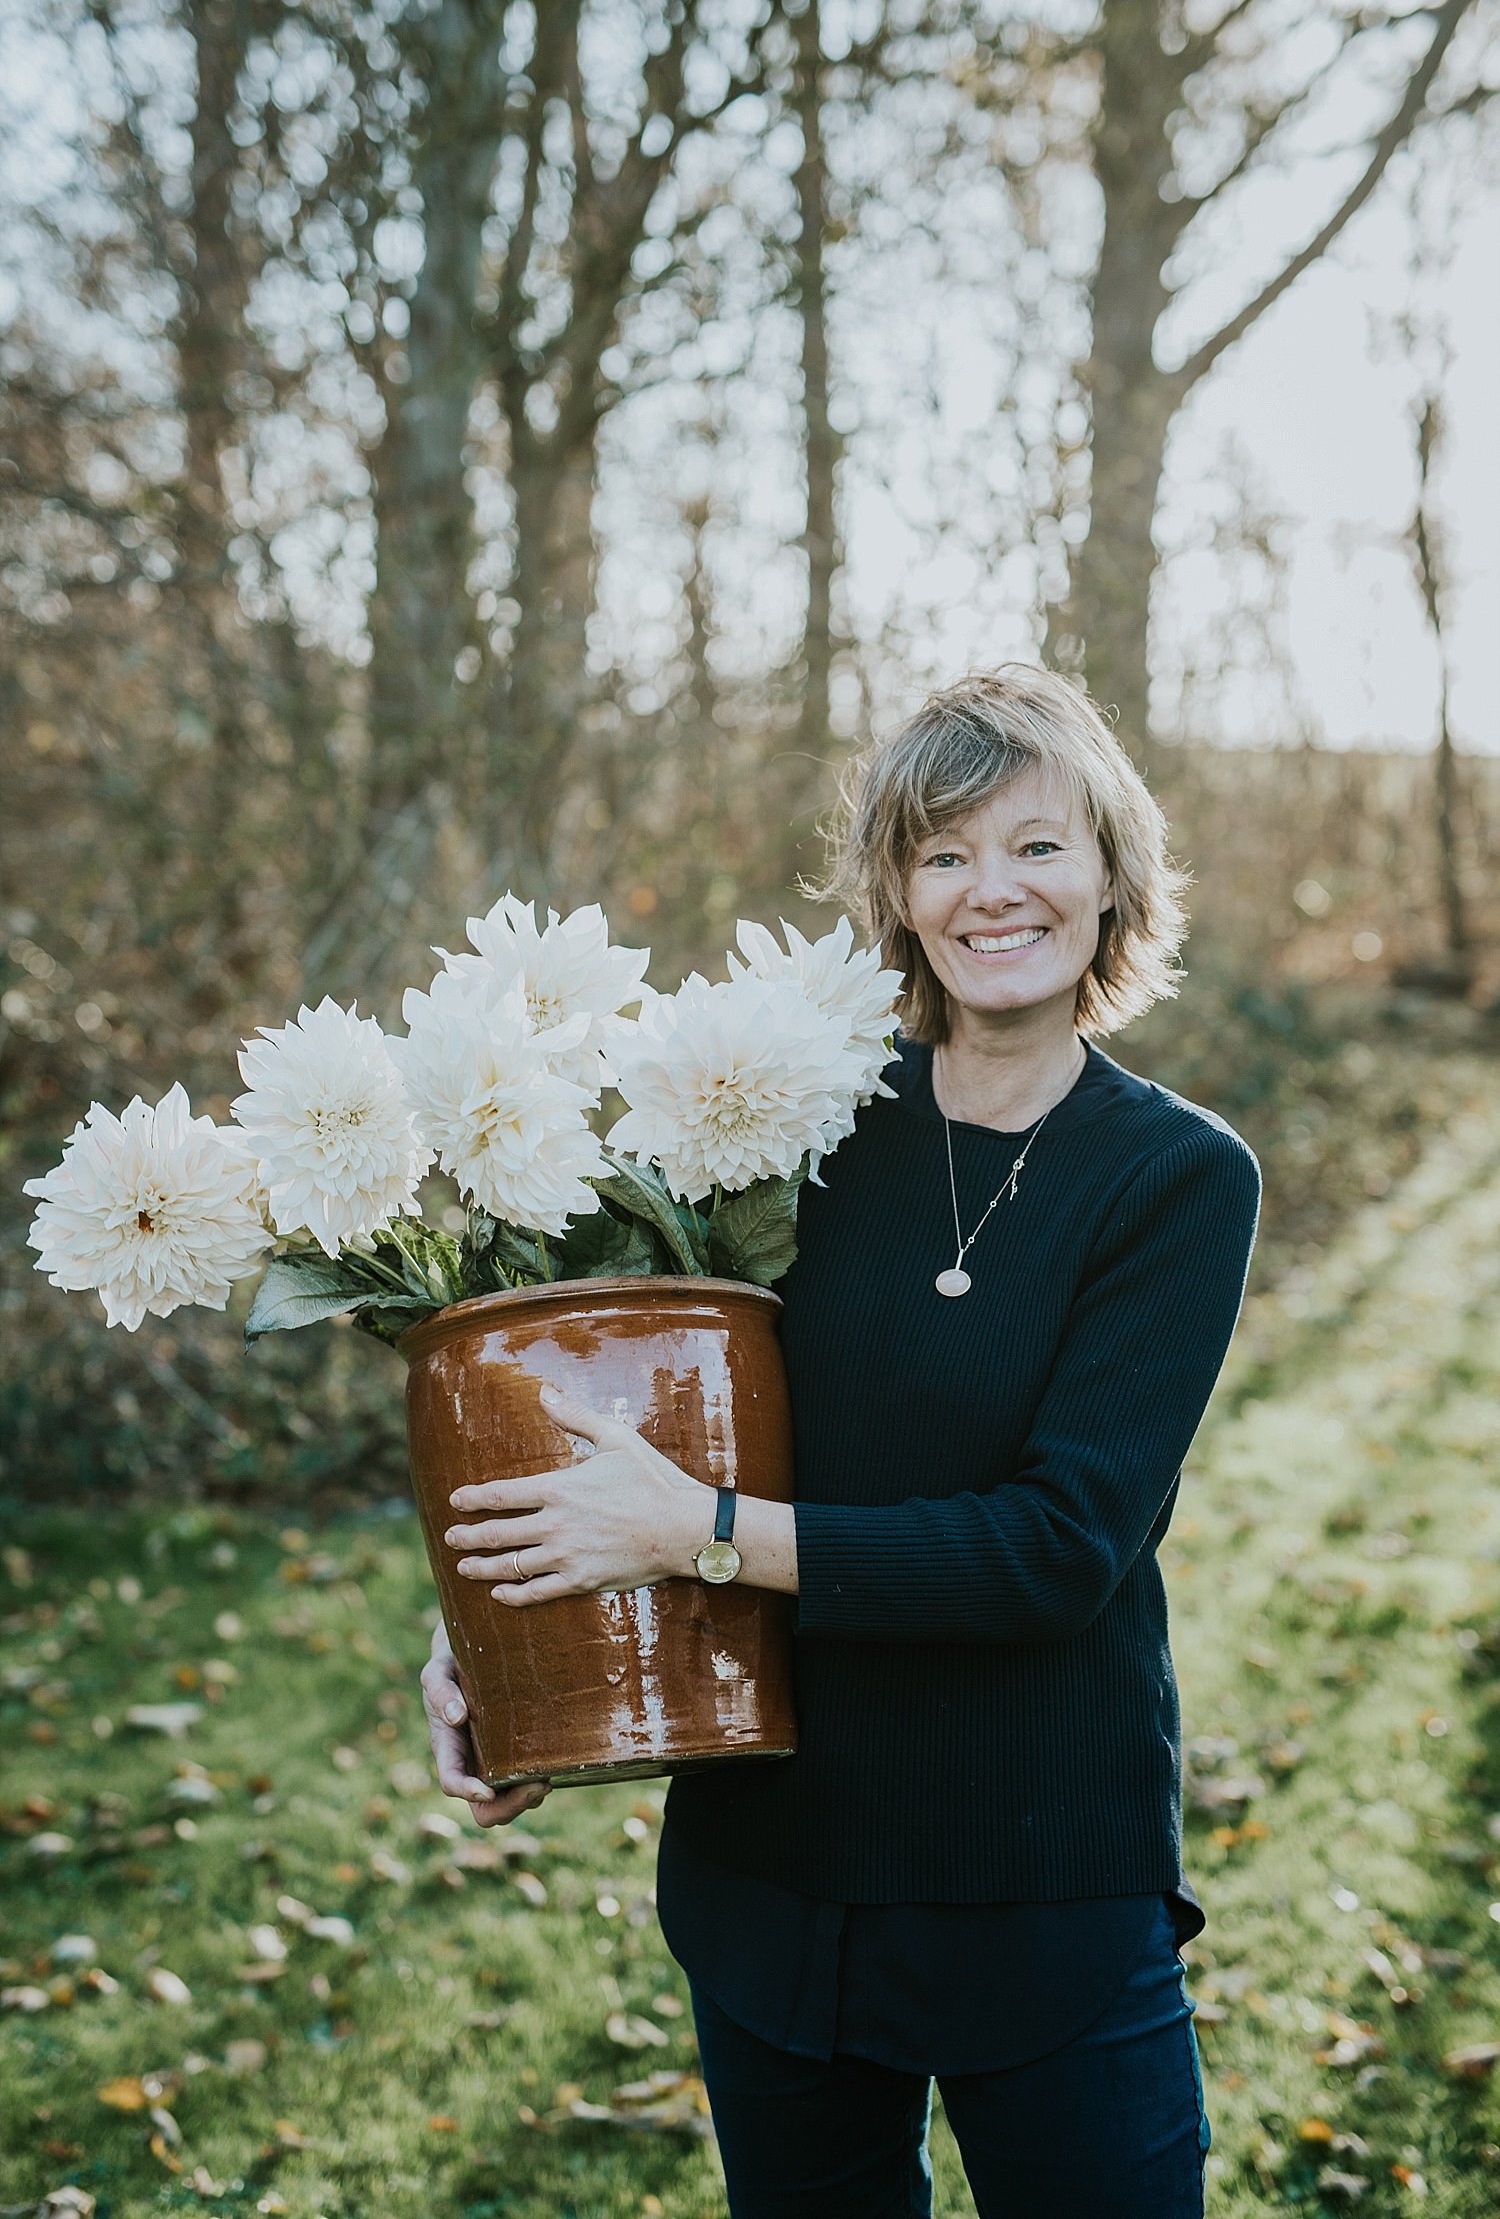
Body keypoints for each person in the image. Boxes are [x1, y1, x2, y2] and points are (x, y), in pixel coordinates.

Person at [420, 664, 1261, 2217]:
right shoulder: (789, 1128)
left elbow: (1057, 1546)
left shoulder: (1175, 1178)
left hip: (1042, 1879)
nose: (991, 890)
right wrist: (494, 1642)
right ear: (896, 892)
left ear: (1112, 876)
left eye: (1037, 845)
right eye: (944, 853)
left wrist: (704, 1532)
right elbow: (619, 1410)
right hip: (773, 1873)